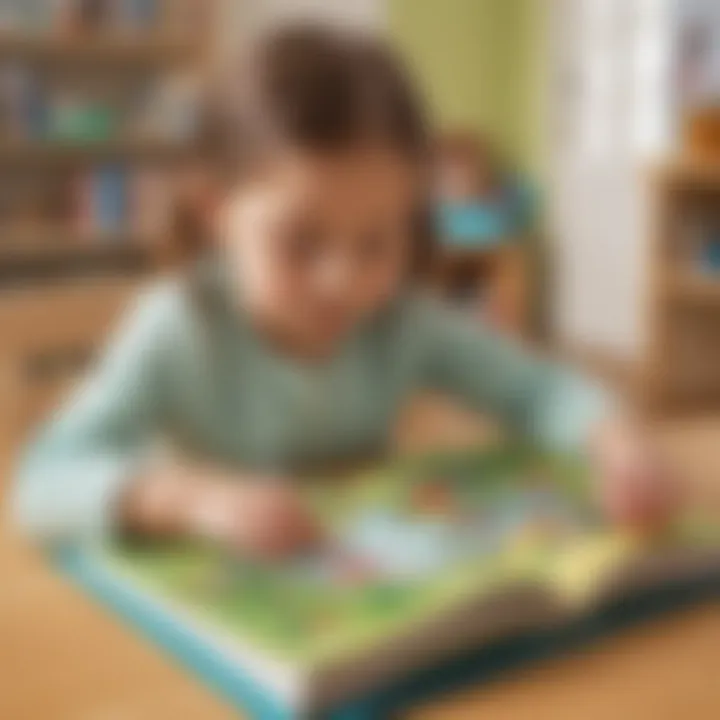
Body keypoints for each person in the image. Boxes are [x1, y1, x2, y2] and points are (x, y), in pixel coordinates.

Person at [11, 26, 677, 559]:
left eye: (377, 243)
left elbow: (535, 390)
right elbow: (40, 479)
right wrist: (187, 498)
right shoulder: (178, 328)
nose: (345, 283)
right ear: (217, 212)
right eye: (300, 243)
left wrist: (616, 441)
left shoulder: (402, 320)